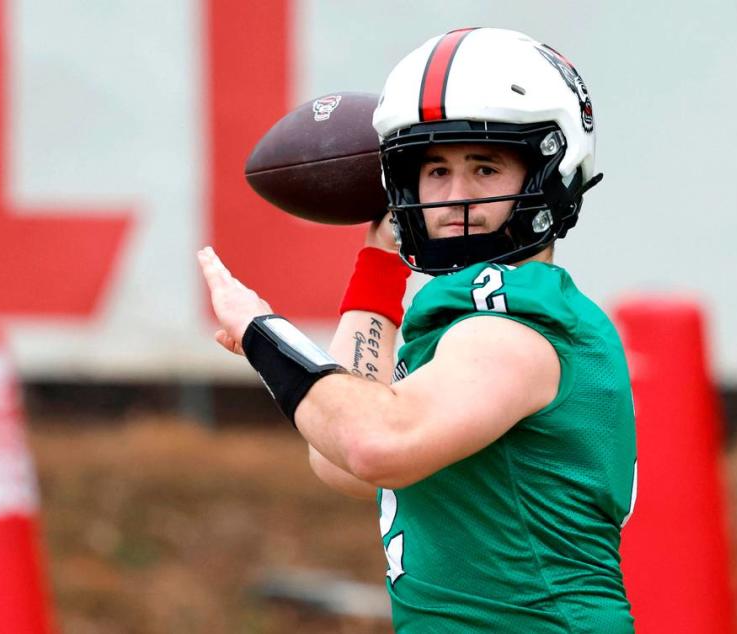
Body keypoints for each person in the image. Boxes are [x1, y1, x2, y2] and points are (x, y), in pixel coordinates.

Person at [198, 27, 637, 633]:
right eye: (434, 171)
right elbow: (343, 463)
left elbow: (375, 443)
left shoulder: (520, 322)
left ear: (550, 174)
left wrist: (260, 332)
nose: (455, 197)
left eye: (485, 168)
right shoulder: (469, 319)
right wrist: (377, 268)